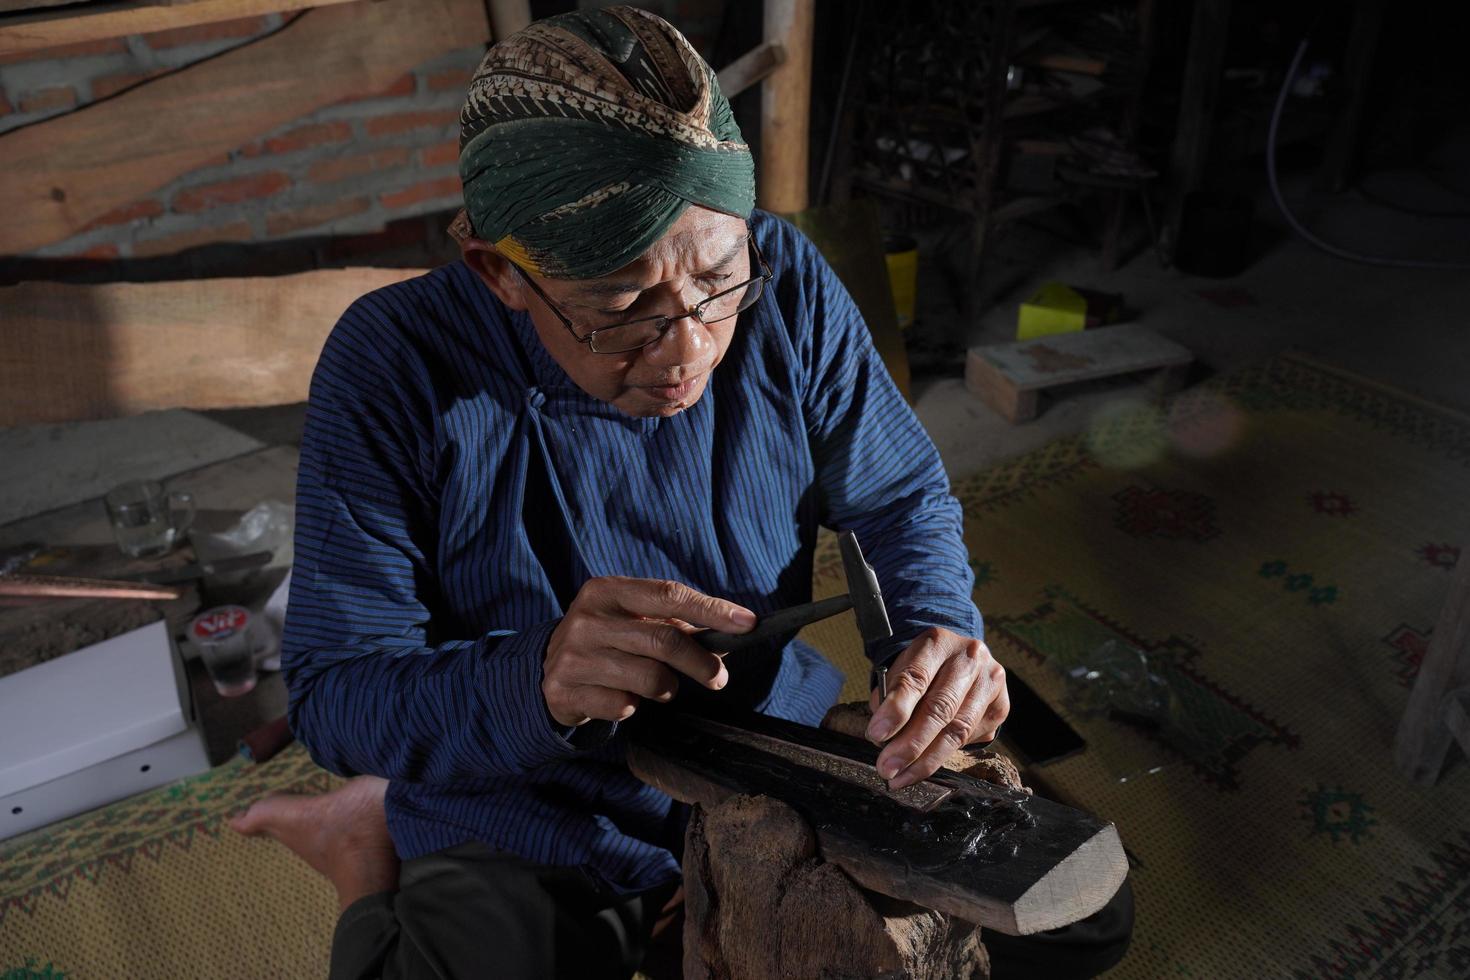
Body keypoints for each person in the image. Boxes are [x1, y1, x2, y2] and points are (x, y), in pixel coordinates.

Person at [230, 7, 1130, 978]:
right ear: (503, 274)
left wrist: (929, 629)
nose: (690, 347)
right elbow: (334, 694)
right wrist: (537, 677)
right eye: (622, 310)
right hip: (530, 792)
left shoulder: (785, 283)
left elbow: (898, 495)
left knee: (1080, 920)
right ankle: (364, 853)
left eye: (715, 278)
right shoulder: (393, 363)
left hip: (763, 745)